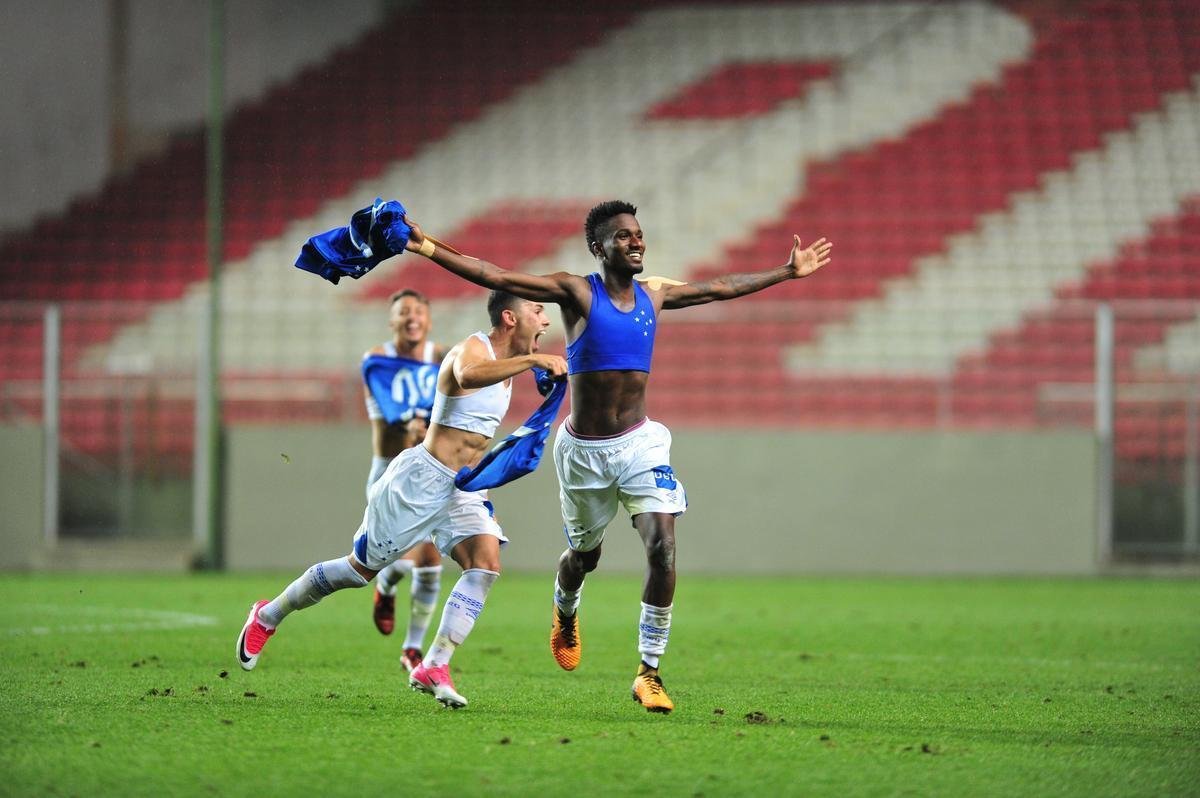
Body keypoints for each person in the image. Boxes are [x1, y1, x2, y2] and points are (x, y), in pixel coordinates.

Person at [400, 201, 831, 713]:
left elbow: (721, 287)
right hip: (583, 453)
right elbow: (494, 274)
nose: (635, 241)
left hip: (640, 444)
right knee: (584, 557)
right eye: (623, 235)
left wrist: (787, 271)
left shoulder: (656, 293)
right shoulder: (577, 292)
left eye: (638, 233)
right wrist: (426, 246)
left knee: (663, 546)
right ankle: (565, 609)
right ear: (598, 247)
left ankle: (649, 671)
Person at [236, 290, 568, 709]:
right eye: (537, 310)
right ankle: (268, 615)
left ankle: (434, 664)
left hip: (464, 486)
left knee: (485, 564)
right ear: (510, 317)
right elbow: (467, 376)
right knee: (358, 570)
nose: (545, 319)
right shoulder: (472, 349)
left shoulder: (510, 365)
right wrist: (534, 361)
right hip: (421, 481)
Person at [361, 288, 446, 673]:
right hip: (391, 472)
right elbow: (394, 409)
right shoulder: (377, 360)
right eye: (404, 312)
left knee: (430, 561)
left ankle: (412, 647)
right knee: (399, 560)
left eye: (418, 311)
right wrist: (413, 423)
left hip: (429, 473)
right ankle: (385, 585)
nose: (412, 318)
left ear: (428, 319)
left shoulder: (443, 357)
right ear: (392, 321)